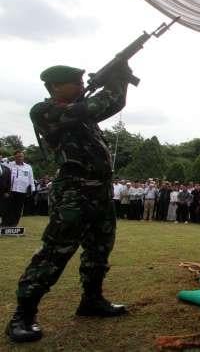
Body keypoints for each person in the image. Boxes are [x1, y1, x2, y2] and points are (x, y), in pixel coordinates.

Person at [6, 64, 131, 343]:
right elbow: (97, 105)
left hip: (99, 189)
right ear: (55, 87)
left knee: (100, 248)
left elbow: (112, 103)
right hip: (74, 190)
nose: (80, 85)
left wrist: (120, 77)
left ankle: (92, 300)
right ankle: (22, 316)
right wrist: (113, 80)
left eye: (80, 81)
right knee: (56, 251)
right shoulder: (45, 110)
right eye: (74, 82)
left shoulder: (82, 113)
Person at [4, 150, 35, 227]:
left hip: (22, 191)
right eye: (17, 156)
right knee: (8, 208)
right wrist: (7, 158)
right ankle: (5, 224)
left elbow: (31, 179)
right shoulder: (8, 164)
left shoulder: (28, 167)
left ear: (23, 157)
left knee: (18, 208)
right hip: (10, 190)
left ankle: (14, 224)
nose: (19, 158)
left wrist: (32, 189)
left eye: (21, 156)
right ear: (14, 157)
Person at [0, 159, 11, 226]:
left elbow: (9, 181)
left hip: (2, 193)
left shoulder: (6, 169)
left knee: (1, 209)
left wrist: (7, 192)